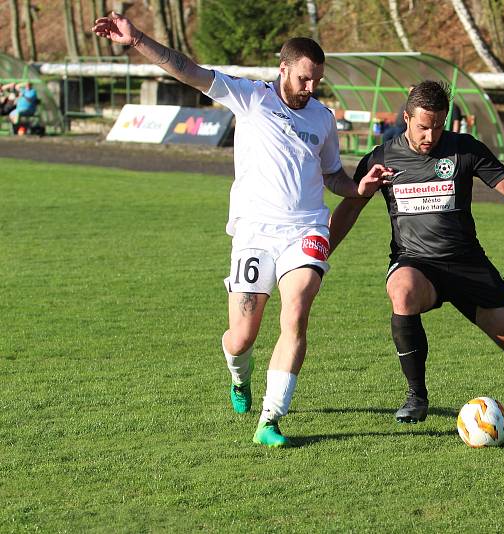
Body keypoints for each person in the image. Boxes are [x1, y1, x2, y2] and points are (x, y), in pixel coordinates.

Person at [93, 13, 389, 447]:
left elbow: (332, 176)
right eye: (305, 79)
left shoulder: (323, 119)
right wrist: (137, 39)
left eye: (317, 81)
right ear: (284, 68)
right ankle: (239, 375)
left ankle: (271, 418)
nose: (312, 89)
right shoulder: (250, 97)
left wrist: (356, 186)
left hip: (306, 229)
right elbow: (187, 70)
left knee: (296, 313)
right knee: (242, 337)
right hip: (253, 234)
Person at [330, 80, 504, 426]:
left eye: (437, 127)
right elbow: (352, 206)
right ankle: (417, 396)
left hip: (467, 264)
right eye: (422, 127)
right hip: (415, 262)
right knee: (401, 292)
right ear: (406, 118)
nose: (430, 136)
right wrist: (322, 249)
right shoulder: (382, 158)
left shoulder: (464, 149)